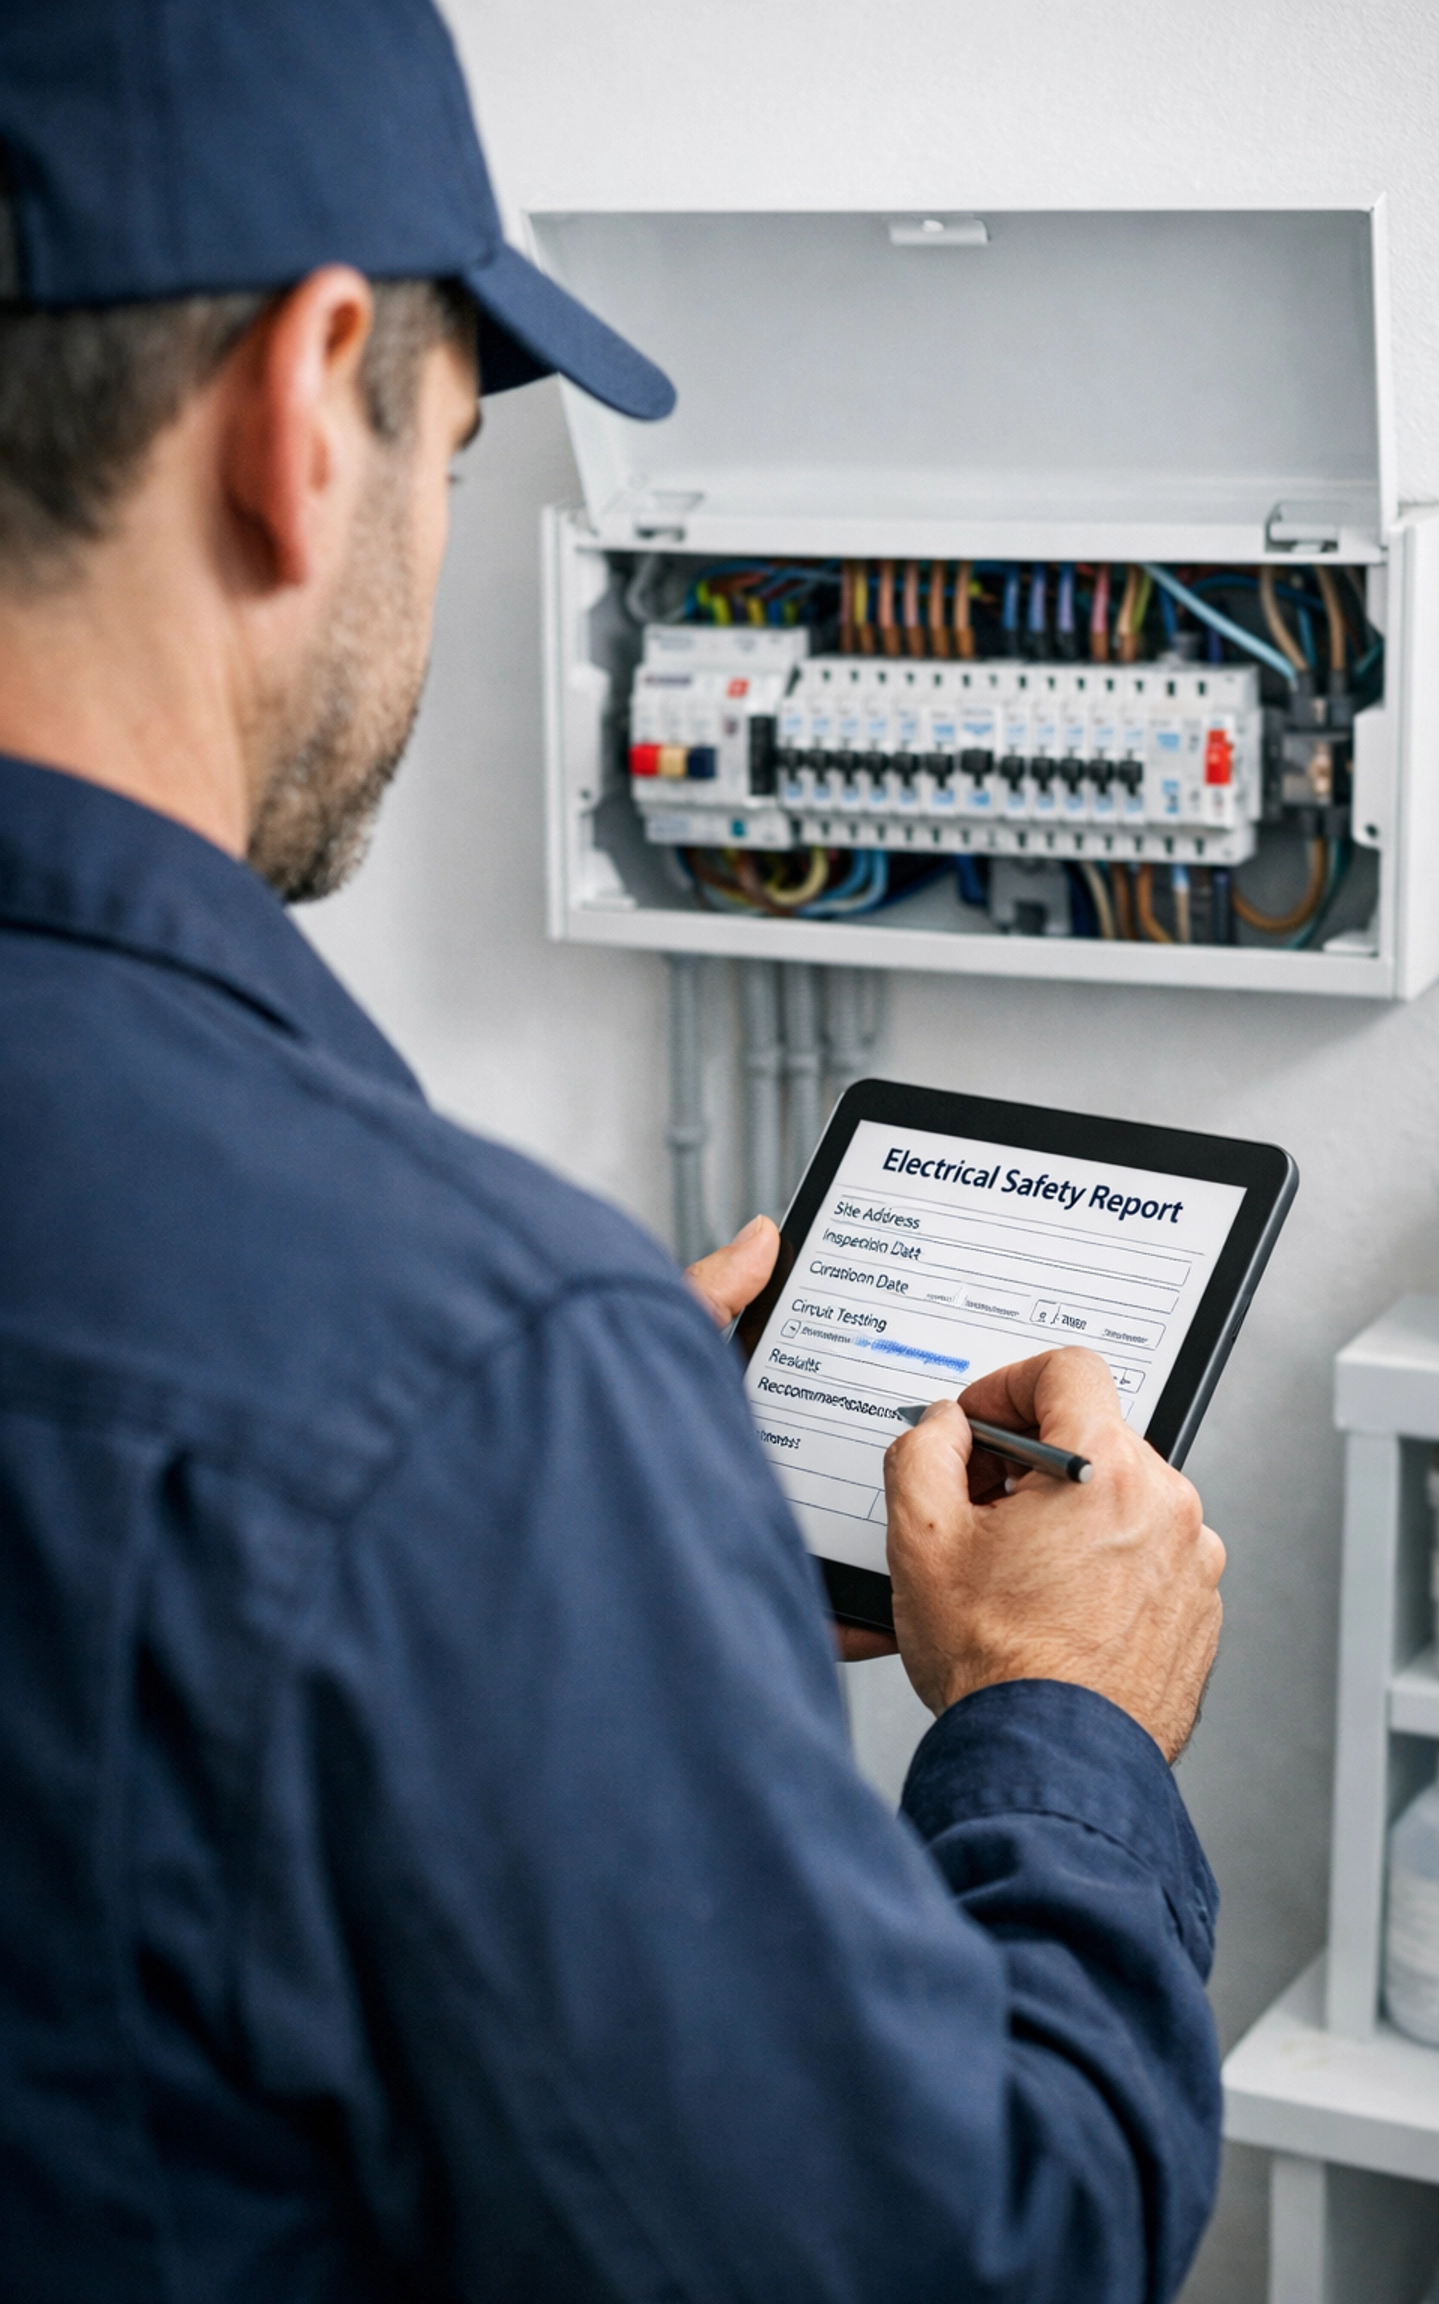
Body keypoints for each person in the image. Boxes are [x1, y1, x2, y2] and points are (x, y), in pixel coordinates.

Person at [0, 3, 1227, 2299]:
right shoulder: (464, 1382)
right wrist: (1067, 1718)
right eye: (457, 444)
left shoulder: (457, 1409)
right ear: (306, 402)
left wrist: (563, 1555)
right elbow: (968, 2261)